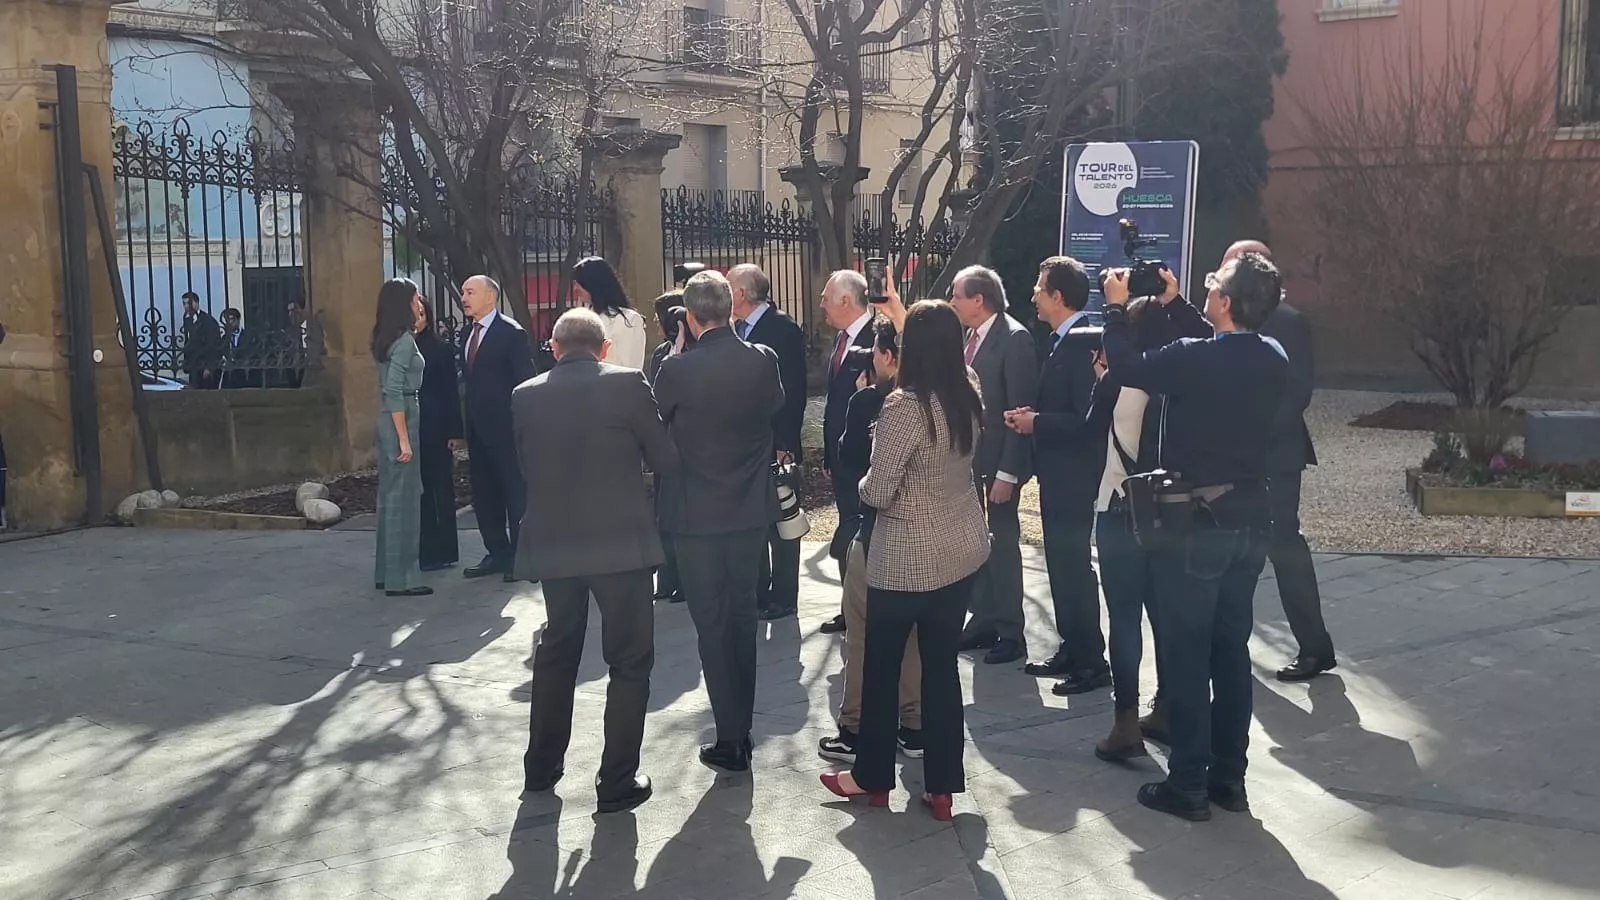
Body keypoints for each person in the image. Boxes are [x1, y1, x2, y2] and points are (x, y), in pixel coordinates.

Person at [1100, 251, 1289, 821]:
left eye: (1213, 287)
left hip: (1196, 523)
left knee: (1185, 654)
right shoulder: (1273, 356)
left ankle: (1186, 783)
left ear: (1226, 302)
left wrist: (1114, 310)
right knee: (1230, 653)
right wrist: (1173, 302)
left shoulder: (1192, 358)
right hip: (1251, 518)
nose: (1207, 292)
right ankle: (1230, 779)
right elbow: (1208, 351)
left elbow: (1130, 365)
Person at [819, 286, 989, 823]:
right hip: (959, 552)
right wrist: (904, 311)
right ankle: (942, 786)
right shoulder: (970, 389)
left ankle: (871, 776)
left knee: (880, 667)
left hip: (904, 560)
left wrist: (867, 475)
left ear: (910, 347)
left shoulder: (902, 406)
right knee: (940, 670)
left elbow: (877, 491)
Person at [512, 307, 678, 814]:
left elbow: (525, 465)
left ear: (555, 348)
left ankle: (540, 766)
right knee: (629, 660)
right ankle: (616, 780)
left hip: (556, 540)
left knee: (558, 648)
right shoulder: (627, 384)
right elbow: (665, 459)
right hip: (620, 544)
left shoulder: (525, 395)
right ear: (604, 347)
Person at [654, 270, 784, 775]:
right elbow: (773, 406)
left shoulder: (676, 370)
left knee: (711, 622)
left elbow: (658, 419)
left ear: (688, 317)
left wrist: (677, 354)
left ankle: (732, 734)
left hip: (695, 515)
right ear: (731, 308)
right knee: (742, 616)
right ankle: (740, 726)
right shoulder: (763, 360)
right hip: (749, 508)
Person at [1080, 273, 1212, 762]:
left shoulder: (1122, 379)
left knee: (1124, 619)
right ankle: (1169, 707)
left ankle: (1124, 722)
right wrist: (1176, 298)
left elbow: (1091, 427)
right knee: (1166, 615)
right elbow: (1202, 336)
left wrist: (1101, 377)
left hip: (1119, 507)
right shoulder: (1184, 382)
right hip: (1170, 512)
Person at [1223, 241, 1337, 682]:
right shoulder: (1225, 319)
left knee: (1284, 547)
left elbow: (1297, 393)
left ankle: (1314, 648)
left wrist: (1250, 435)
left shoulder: (1289, 322)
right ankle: (1231, 639)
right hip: (1233, 458)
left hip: (1274, 457)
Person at [817, 316, 925, 765]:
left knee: (860, 635)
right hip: (928, 541)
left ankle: (855, 726)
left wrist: (865, 399)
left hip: (878, 533)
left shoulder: (879, 403)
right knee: (915, 639)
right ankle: (915, 726)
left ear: (887, 357)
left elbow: (854, 465)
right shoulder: (953, 399)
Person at [1004, 258, 1110, 695]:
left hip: (1075, 473)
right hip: (1057, 472)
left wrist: (1037, 422)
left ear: (1058, 297)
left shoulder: (1086, 343)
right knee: (1060, 566)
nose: (1033, 294)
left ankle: (1091, 660)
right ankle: (1072, 646)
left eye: (1039, 287)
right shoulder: (1057, 341)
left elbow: (1087, 419)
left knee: (1073, 567)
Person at [949, 265, 1039, 666]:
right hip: (968, 466)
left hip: (998, 467)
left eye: (957, 295)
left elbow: (1020, 410)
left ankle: (1010, 630)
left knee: (1002, 546)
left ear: (978, 300)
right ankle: (983, 618)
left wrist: (1009, 472)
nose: (952, 302)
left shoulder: (1014, 339)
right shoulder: (968, 337)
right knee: (973, 545)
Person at [728, 263, 808, 622]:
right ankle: (758, 591)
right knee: (754, 521)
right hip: (747, 445)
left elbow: (793, 391)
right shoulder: (734, 329)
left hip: (775, 443)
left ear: (742, 294)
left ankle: (784, 596)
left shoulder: (782, 328)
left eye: (728, 287)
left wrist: (786, 442)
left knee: (783, 521)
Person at [456, 275, 536, 580]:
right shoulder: (466, 333)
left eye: (470, 292)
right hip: (477, 429)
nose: (464, 297)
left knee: (514, 492)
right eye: (463, 292)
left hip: (506, 428)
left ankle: (520, 556)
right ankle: (497, 553)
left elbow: (523, 381)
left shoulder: (511, 333)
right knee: (484, 494)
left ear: (490, 297)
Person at [818, 269, 877, 634]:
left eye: (826, 297)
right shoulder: (841, 340)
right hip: (841, 455)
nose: (821, 304)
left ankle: (869, 608)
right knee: (845, 530)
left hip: (868, 457)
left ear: (845, 300)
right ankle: (849, 607)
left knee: (866, 535)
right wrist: (828, 453)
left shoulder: (879, 337)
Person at [372, 278, 431, 598]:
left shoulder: (387, 337)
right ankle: (403, 577)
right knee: (404, 501)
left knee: (390, 498)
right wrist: (404, 439)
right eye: (415, 298)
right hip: (402, 414)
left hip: (387, 417)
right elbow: (394, 389)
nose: (420, 302)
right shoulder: (404, 341)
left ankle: (386, 572)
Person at [646, 291, 688, 603]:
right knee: (665, 514)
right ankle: (668, 577)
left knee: (682, 515)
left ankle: (684, 580)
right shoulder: (662, 354)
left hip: (686, 445)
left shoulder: (696, 353)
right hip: (666, 443)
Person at [416, 302, 463, 572]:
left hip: (436, 427)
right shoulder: (402, 346)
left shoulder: (440, 348)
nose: (417, 320)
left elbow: (450, 392)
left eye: (422, 315)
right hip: (412, 426)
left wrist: (455, 431)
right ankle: (425, 547)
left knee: (440, 489)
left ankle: (444, 549)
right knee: (420, 491)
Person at [572, 256, 647, 370]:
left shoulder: (629, 320)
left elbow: (630, 365)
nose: (575, 288)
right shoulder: (582, 318)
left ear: (592, 284)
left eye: (579, 283)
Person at [179, 292, 221, 389]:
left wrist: (209, 367)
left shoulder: (207, 320)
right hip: (193, 365)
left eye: (188, 303)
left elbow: (213, 344)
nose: (186, 306)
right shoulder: (187, 319)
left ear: (196, 303)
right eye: (184, 304)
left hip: (205, 366)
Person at [218, 308, 261, 389]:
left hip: (244, 374)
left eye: (232, 319)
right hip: (229, 376)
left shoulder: (248, 337)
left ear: (238, 320)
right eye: (227, 320)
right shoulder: (225, 338)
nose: (230, 322)